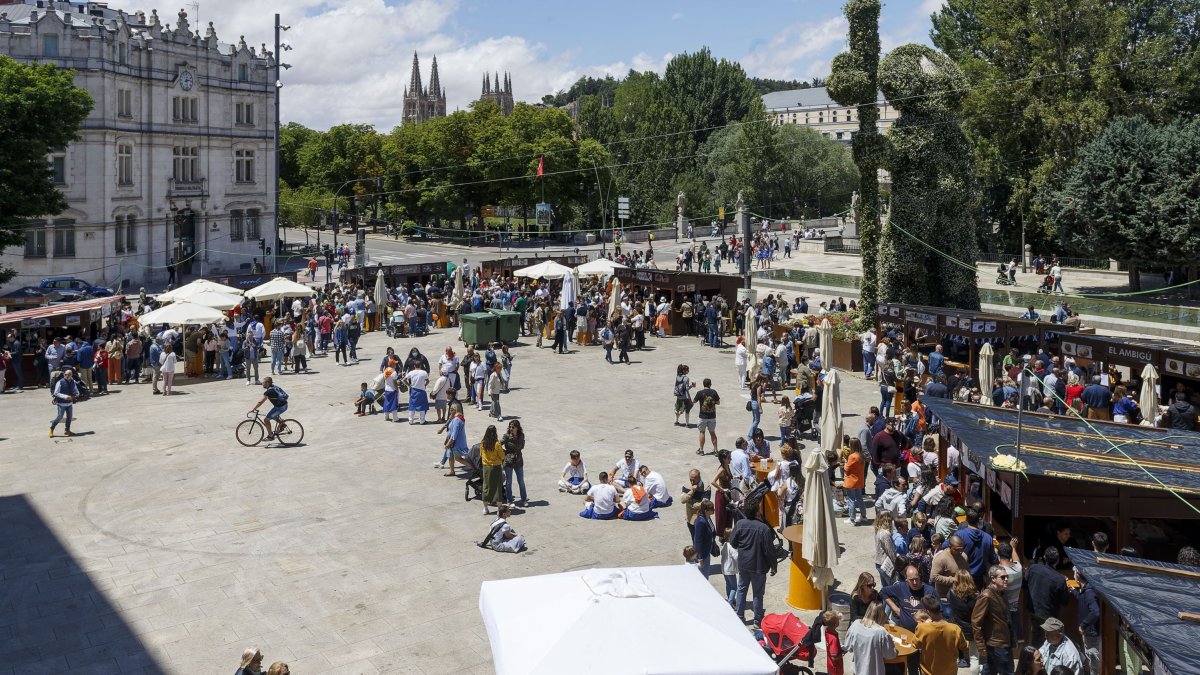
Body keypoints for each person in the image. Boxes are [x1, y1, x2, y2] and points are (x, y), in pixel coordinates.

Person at [730, 504, 777, 629]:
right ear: (757, 512)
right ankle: (757, 621)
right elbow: (769, 550)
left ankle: (739, 616)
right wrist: (774, 566)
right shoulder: (764, 528)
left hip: (744, 564)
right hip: (758, 566)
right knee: (758, 594)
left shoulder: (740, 524)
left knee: (741, 589)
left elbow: (733, 542)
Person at [972, 565, 1013, 675]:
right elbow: (976, 622)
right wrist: (981, 646)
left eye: (1007, 577)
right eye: (1003, 577)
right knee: (1007, 672)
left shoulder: (1002, 593)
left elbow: (1006, 619)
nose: (1006, 579)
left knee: (990, 670)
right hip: (996, 643)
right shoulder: (986, 596)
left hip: (1004, 640)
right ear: (993, 578)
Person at [913, 595, 969, 675]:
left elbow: (915, 645)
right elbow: (965, 647)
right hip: (950, 671)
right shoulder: (955, 628)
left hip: (929, 671)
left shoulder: (922, 628)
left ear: (927, 612)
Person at [1026, 548, 1070, 646]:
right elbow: (1065, 601)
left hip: (1034, 610)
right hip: (1049, 614)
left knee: (1036, 637)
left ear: (1044, 557)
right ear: (1057, 560)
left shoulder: (1033, 568)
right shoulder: (1060, 579)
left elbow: (1025, 582)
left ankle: (1035, 654)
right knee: (1051, 640)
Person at [844, 601, 899, 675]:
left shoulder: (855, 624)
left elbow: (848, 646)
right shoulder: (881, 632)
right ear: (882, 615)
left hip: (857, 670)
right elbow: (890, 655)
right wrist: (896, 651)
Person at [881, 563, 937, 632]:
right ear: (906, 578)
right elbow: (883, 592)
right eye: (911, 580)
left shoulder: (930, 591)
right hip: (905, 632)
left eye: (916, 579)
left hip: (924, 632)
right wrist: (895, 609)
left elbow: (939, 612)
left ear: (919, 576)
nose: (914, 582)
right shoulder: (901, 587)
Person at [1073, 569, 1100, 675]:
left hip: (1091, 633)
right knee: (1090, 657)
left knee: (1093, 660)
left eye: (1074, 573)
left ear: (1078, 575)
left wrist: (1083, 625)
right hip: (1089, 632)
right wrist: (1074, 591)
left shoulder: (1089, 591)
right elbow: (1082, 599)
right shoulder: (1086, 590)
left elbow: (1095, 612)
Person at [479, 424, 505, 515]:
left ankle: (485, 508)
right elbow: (502, 456)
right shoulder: (497, 444)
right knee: (497, 487)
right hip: (496, 467)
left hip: (486, 467)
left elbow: (481, 454)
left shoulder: (483, 443)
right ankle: (499, 509)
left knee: (486, 486)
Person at [501, 420, 527, 507]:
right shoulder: (506, 436)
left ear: (517, 428)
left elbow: (522, 446)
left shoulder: (521, 436)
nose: (511, 429)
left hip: (519, 461)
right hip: (508, 462)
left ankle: (524, 499)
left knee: (521, 481)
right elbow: (498, 445)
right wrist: (504, 453)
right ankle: (510, 501)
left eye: (513, 427)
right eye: (510, 427)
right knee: (509, 482)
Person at [48, 367, 79, 437]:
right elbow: (56, 393)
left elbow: (75, 388)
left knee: (69, 417)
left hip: (69, 403)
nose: (66, 376)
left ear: (71, 375)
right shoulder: (60, 382)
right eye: (65, 374)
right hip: (61, 403)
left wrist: (77, 392)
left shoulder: (72, 381)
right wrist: (65, 397)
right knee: (59, 417)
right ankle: (51, 429)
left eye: (68, 374)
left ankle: (67, 430)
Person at [692, 378, 720, 455]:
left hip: (702, 416)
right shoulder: (714, 392)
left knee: (702, 432)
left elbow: (694, 401)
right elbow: (718, 402)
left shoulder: (700, 393)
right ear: (710, 384)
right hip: (712, 416)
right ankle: (716, 450)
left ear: (703, 384)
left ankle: (701, 450)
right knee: (712, 433)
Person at [844, 438, 868, 525]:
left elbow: (846, 469)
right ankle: (863, 516)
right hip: (859, 481)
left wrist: (845, 462)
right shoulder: (862, 456)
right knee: (860, 499)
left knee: (851, 500)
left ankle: (852, 518)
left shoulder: (852, 456)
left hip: (851, 481)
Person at [440, 406, 469, 475]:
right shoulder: (455, 418)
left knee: (458, 458)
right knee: (450, 456)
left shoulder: (456, 420)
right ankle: (451, 471)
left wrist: (449, 442)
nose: (450, 411)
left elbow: (454, 433)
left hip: (455, 442)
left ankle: (473, 467)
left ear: (455, 410)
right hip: (453, 441)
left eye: (451, 409)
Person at [874, 512, 899, 586]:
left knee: (885, 587)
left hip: (879, 563)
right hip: (886, 565)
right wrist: (897, 564)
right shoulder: (885, 533)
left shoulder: (879, 531)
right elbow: (891, 551)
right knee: (893, 587)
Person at [692, 500, 716, 576]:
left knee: (706, 572)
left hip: (708, 550)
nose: (714, 510)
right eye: (712, 509)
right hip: (703, 553)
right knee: (703, 575)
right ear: (706, 511)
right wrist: (700, 558)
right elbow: (697, 541)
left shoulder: (708, 518)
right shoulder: (701, 522)